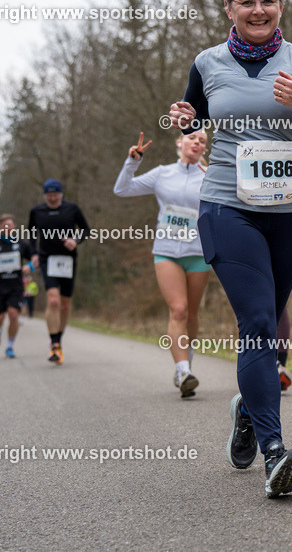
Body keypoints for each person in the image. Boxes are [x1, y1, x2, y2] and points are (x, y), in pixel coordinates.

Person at [168, 0, 292, 497]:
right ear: (229, 8)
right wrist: (185, 120)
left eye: (267, 0)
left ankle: (247, 411)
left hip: (291, 214)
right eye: (246, 1)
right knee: (256, 323)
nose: (257, 9)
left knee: (268, 323)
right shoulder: (207, 62)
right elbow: (196, 120)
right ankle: (275, 452)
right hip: (228, 207)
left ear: (280, 6)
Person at [113, 130, 210, 397]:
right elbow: (122, 189)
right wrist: (133, 161)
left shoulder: (209, 176)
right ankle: (182, 370)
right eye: (192, 138)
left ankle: (186, 363)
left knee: (191, 314)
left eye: (202, 141)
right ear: (180, 143)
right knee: (178, 309)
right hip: (167, 251)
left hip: (199, 252)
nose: (197, 142)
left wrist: (216, 174)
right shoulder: (162, 173)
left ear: (204, 149)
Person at [28, 179, 90, 364]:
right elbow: (31, 233)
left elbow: (86, 230)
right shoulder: (37, 211)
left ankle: (58, 340)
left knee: (64, 304)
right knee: (53, 299)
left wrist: (76, 240)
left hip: (68, 259)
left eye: (56, 195)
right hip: (47, 258)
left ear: (61, 194)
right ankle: (54, 344)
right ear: (45, 195)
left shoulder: (72, 209)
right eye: (49, 195)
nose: (53, 198)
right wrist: (33, 254)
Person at [0, 214, 34, 358]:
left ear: (14, 226)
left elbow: (35, 258)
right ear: (0, 227)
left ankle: (10, 345)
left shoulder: (22, 244)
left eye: (9, 225)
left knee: (13, 315)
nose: (7, 227)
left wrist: (30, 267)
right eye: (4, 225)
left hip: (15, 286)